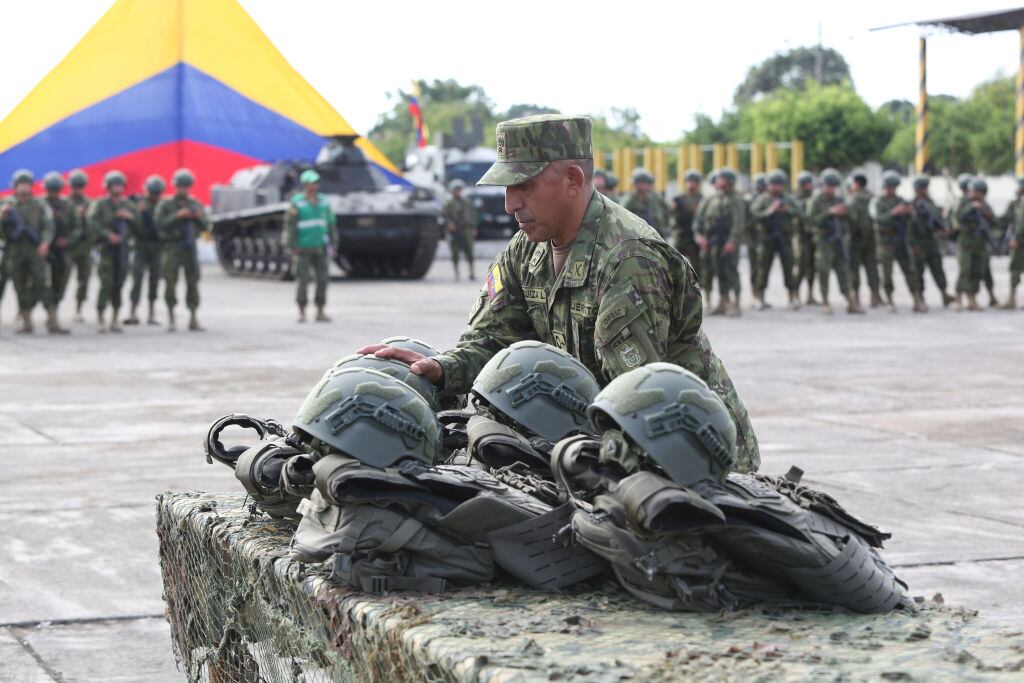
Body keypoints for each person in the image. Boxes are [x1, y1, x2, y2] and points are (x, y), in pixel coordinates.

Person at [360, 114, 760, 472]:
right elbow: (495, 339)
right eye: (506, 188)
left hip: (692, 456)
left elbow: (637, 401)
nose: (509, 203)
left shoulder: (629, 258)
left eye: (524, 186)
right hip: (606, 437)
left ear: (573, 179)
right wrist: (444, 369)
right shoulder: (527, 246)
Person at [1, 169, 58, 333]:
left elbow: (49, 226)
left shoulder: (39, 205)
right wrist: (2, 217)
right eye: (21, 185)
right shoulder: (7, 205)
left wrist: (45, 243)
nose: (24, 188)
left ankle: (52, 320)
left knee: (42, 284)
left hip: (35, 251)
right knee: (19, 286)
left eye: (26, 184)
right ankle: (26, 321)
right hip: (14, 252)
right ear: (15, 186)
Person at [157, 168, 208, 331]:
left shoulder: (195, 204)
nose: (183, 189)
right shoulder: (166, 204)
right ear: (175, 186)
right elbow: (159, 224)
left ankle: (193, 317)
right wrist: (178, 216)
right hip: (172, 247)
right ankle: (171, 317)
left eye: (186, 186)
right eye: (180, 186)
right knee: (170, 282)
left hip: (190, 248)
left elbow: (206, 226)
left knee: (193, 282)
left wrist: (198, 217)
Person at [89, 170, 139, 332]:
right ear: (108, 186)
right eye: (114, 185)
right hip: (106, 250)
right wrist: (107, 235)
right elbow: (92, 223)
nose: (117, 188)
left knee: (119, 283)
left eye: (119, 185)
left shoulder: (128, 205)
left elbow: (141, 227)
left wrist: (130, 217)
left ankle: (115, 319)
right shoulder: (101, 204)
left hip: (123, 250)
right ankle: (101, 317)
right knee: (106, 283)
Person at [282, 169, 334, 324]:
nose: (314, 185)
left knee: (322, 280)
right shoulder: (297, 202)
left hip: (321, 247)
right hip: (302, 248)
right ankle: (301, 312)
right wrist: (292, 245)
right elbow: (290, 225)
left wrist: (334, 242)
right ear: (305, 184)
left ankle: (320, 311)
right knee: (302, 281)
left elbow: (331, 223)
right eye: (311, 182)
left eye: (316, 182)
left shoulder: (324, 201)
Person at [807, 169, 861, 315]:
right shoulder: (816, 201)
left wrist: (845, 213)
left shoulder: (840, 200)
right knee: (823, 270)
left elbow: (853, 218)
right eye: (828, 185)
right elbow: (812, 221)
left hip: (840, 240)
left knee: (844, 271)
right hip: (824, 241)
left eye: (833, 186)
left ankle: (851, 302)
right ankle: (825, 302)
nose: (831, 189)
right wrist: (829, 213)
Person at [870, 172, 924, 313]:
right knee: (887, 273)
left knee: (910, 271)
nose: (891, 189)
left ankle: (917, 299)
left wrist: (909, 213)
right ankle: (890, 300)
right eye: (889, 187)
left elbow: (913, 222)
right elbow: (878, 219)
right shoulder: (879, 202)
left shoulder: (901, 200)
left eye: (894, 187)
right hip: (886, 242)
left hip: (901, 241)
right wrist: (894, 212)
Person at [696, 168, 744, 316]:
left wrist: (732, 241)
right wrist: (700, 236)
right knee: (717, 271)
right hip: (713, 241)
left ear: (728, 181)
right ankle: (722, 303)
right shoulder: (712, 199)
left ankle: (736, 303)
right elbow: (701, 220)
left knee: (730, 271)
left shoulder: (735, 199)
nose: (717, 181)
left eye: (721, 178)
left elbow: (738, 222)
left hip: (727, 240)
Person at [749, 170, 800, 310]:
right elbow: (754, 214)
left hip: (784, 238)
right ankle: (759, 298)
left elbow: (799, 212)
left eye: (779, 184)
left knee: (789, 267)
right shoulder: (762, 199)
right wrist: (770, 210)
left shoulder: (788, 199)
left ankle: (793, 297)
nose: (776, 187)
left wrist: (787, 210)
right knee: (762, 268)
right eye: (773, 184)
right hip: (767, 238)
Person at [909, 175, 955, 308]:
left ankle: (944, 294)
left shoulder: (931, 203)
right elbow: (909, 228)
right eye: (921, 188)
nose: (923, 190)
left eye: (925, 188)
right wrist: (913, 244)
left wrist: (941, 229)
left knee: (938, 269)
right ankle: (919, 298)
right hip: (919, 242)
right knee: (918, 272)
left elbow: (937, 221)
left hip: (931, 241)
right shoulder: (913, 205)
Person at [126, 175, 165, 325]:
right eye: (152, 193)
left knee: (154, 281)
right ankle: (133, 312)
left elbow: (159, 227)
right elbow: (136, 227)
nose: (154, 196)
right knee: (137, 280)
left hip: (157, 247)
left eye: (156, 194)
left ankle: (151, 314)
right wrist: (137, 213)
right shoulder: (137, 204)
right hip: (140, 247)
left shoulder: (163, 206)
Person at [41, 171, 77, 332]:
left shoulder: (68, 205)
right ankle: (49, 316)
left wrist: (68, 240)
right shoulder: (39, 204)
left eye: (56, 190)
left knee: (60, 282)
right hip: (42, 249)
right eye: (51, 190)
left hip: (61, 250)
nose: (53, 194)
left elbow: (78, 228)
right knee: (39, 283)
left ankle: (53, 313)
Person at [955, 177, 997, 311]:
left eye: (977, 192)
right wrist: (971, 207)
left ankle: (972, 299)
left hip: (980, 244)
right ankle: (958, 299)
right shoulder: (963, 202)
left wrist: (985, 211)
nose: (974, 194)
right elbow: (958, 217)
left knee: (977, 271)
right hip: (965, 243)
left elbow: (994, 221)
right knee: (964, 270)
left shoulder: (984, 204)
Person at [845, 173, 881, 309]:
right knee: (872, 267)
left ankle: (856, 297)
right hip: (871, 237)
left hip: (855, 238)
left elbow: (851, 218)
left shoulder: (853, 199)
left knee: (853, 268)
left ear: (857, 184)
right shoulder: (872, 197)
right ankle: (875, 296)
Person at [66, 169, 93, 322]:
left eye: (80, 186)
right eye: (75, 186)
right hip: (68, 247)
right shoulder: (65, 203)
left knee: (84, 279)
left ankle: (78, 309)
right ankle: (54, 309)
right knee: (61, 278)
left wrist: (85, 216)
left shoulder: (89, 203)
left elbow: (94, 225)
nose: (78, 189)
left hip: (84, 246)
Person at [442, 178, 478, 280]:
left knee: (470, 252)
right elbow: (445, 216)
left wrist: (474, 227)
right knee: (455, 253)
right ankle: (457, 273)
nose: (457, 192)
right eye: (455, 190)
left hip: (466, 229)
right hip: (454, 231)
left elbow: (473, 215)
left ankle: (471, 272)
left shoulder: (467, 203)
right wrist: (449, 223)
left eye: (458, 190)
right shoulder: (449, 204)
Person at [620, 168, 670, 237]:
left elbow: (666, 212)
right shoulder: (629, 199)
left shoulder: (654, 198)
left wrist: (666, 228)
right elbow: (622, 216)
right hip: (636, 236)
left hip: (655, 235)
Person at [794, 170, 819, 305]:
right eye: (806, 184)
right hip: (800, 237)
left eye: (810, 184)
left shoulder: (815, 199)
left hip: (813, 236)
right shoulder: (795, 200)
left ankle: (810, 294)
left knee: (812, 267)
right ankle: (795, 294)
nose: (809, 186)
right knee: (801, 266)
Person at [671, 169, 702, 269]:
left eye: (694, 182)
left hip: (695, 238)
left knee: (697, 267)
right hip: (680, 236)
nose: (691, 184)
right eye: (689, 181)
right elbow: (671, 215)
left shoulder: (702, 200)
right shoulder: (678, 199)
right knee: (674, 264)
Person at [746, 173, 767, 298]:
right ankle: (755, 295)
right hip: (753, 237)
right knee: (755, 267)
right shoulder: (749, 200)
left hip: (764, 238)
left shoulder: (766, 199)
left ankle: (761, 295)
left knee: (762, 267)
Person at [1004, 176, 1024, 310]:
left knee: (1015, 269)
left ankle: (1011, 299)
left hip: (1021, 241)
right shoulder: (1016, 202)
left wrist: (1015, 238)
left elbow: (1021, 224)